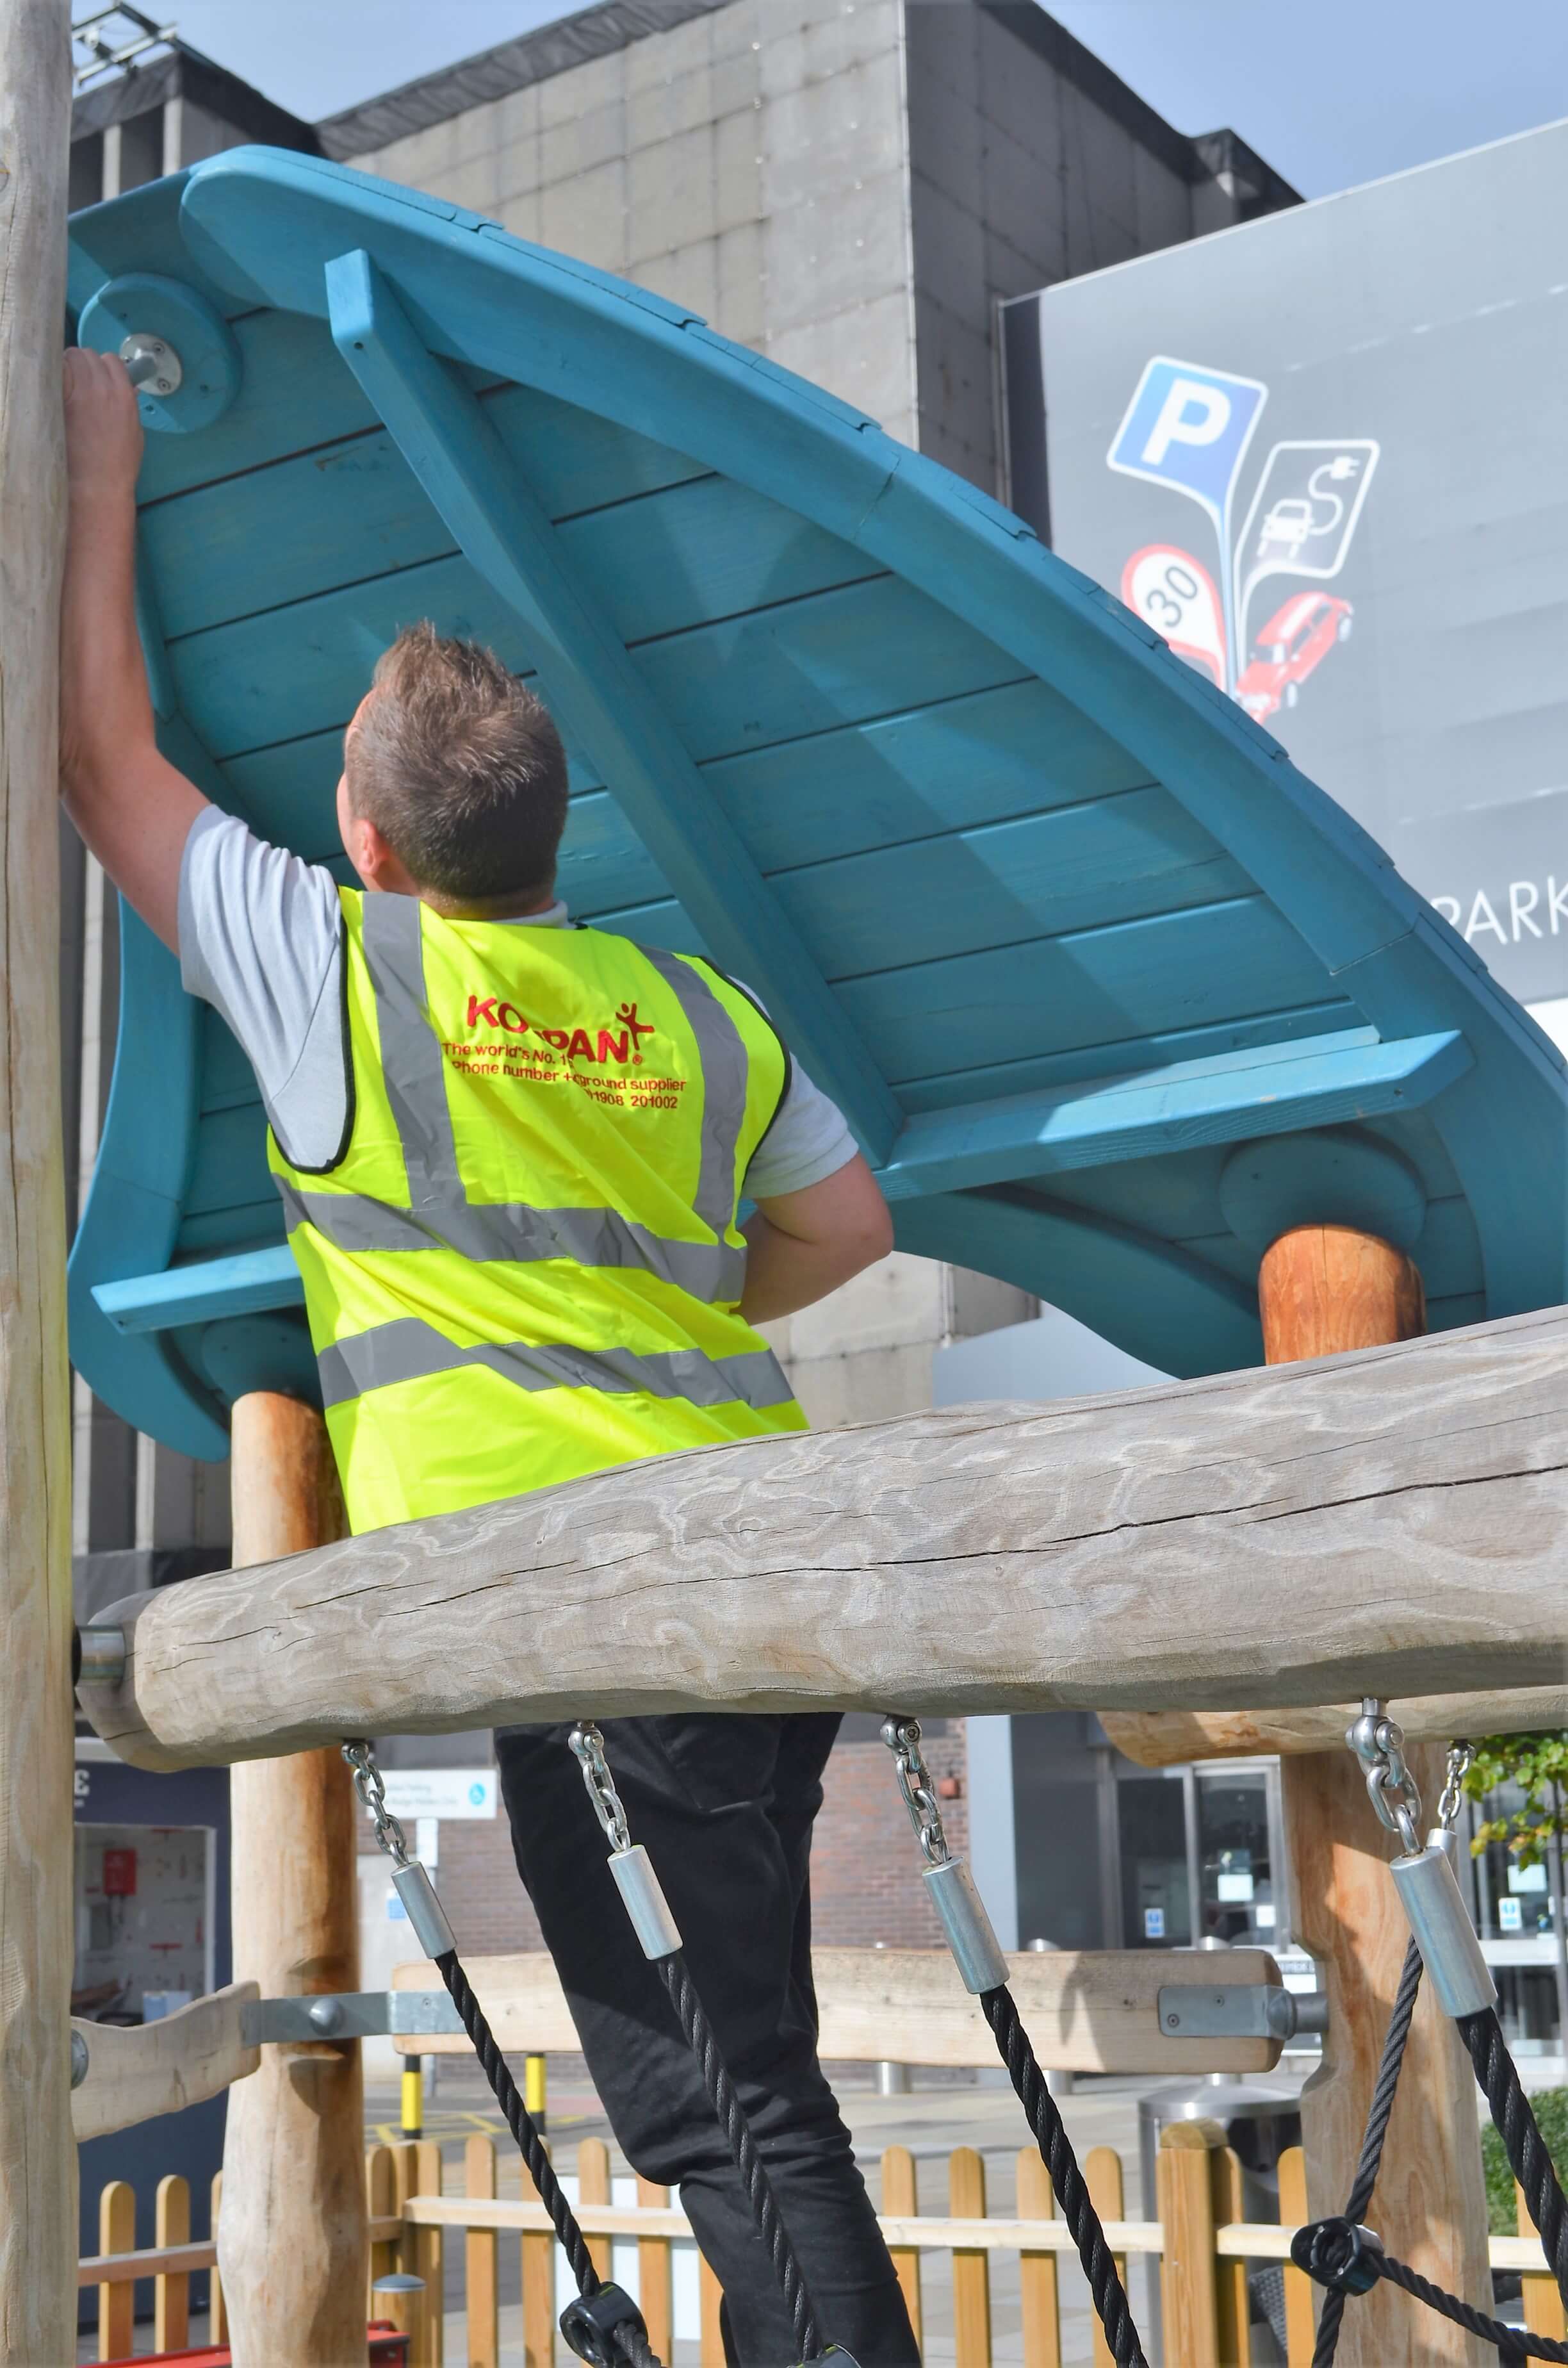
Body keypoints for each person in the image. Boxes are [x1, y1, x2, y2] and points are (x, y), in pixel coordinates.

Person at [60, 347, 919, 2368]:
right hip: (726, 1586)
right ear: (556, 834)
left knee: (727, 2102)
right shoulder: (683, 1004)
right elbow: (852, 1227)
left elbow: (105, 759)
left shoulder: (347, 976)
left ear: (363, 834)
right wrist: (673, 1319)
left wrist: (93, 453)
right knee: (726, 2078)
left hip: (598, 1624)